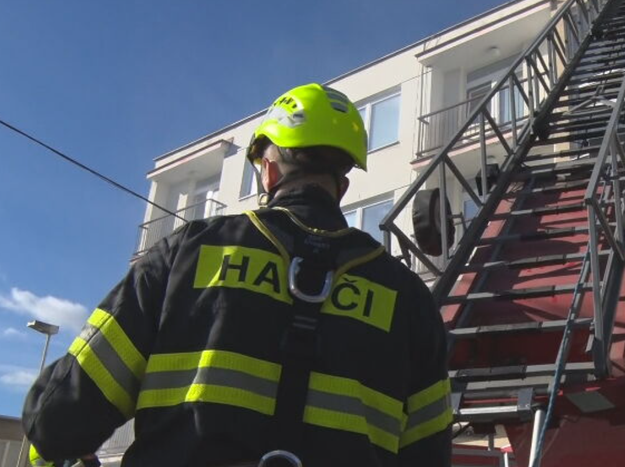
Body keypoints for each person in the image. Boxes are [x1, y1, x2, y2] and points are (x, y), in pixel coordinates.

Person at [21, 84, 453, 467]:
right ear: (342, 187)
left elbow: (56, 422)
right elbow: (429, 455)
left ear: (269, 170)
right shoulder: (408, 298)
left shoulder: (187, 254)